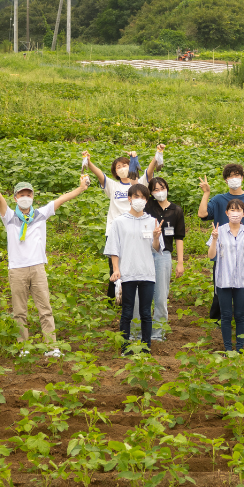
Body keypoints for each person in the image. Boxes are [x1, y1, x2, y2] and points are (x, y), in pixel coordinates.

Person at [0, 168, 89, 357]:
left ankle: (52, 347)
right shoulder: (10, 217)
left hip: (37, 266)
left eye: (28, 194)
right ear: (15, 198)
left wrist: (80, 189)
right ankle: (23, 348)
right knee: (19, 311)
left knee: (45, 309)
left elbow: (62, 199)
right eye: (21, 194)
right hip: (17, 269)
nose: (25, 197)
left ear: (33, 197)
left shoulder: (40, 214)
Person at [83, 146, 162, 303]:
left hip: (137, 230)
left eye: (125, 165)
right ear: (115, 172)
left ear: (130, 166)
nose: (122, 168)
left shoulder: (139, 183)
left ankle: (134, 298)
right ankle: (115, 299)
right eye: (118, 167)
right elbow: (99, 174)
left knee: (134, 263)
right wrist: (89, 162)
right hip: (115, 231)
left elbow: (150, 169)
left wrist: (157, 154)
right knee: (115, 266)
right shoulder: (113, 186)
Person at [199, 164, 244, 320]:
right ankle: (218, 318)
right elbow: (202, 214)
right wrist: (206, 193)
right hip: (224, 250)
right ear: (225, 180)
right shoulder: (219, 199)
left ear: (242, 177)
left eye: (237, 175)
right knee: (221, 285)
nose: (234, 178)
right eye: (230, 176)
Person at [104, 184, 163, 354]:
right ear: (129, 199)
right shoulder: (119, 222)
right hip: (127, 273)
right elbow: (114, 248)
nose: (139, 200)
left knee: (146, 312)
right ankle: (125, 347)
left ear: (146, 200)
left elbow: (156, 249)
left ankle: (146, 347)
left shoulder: (152, 221)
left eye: (143, 197)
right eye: (136, 196)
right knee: (127, 312)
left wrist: (156, 237)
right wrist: (116, 270)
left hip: (147, 273)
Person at [129, 177, 185, 342]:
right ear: (151, 192)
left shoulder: (176, 210)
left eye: (162, 187)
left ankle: (158, 333)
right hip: (143, 253)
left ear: (167, 188)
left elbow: (179, 238)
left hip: (163, 255)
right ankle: (136, 332)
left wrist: (180, 263)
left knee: (161, 295)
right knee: (138, 293)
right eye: (155, 189)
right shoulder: (147, 206)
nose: (159, 191)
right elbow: (138, 192)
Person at [207, 199, 244, 352]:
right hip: (224, 280)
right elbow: (211, 255)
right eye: (232, 210)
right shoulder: (219, 231)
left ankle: (240, 349)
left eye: (238, 210)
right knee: (226, 315)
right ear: (226, 213)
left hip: (243, 281)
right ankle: (228, 349)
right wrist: (215, 239)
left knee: (240, 315)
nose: (235, 213)